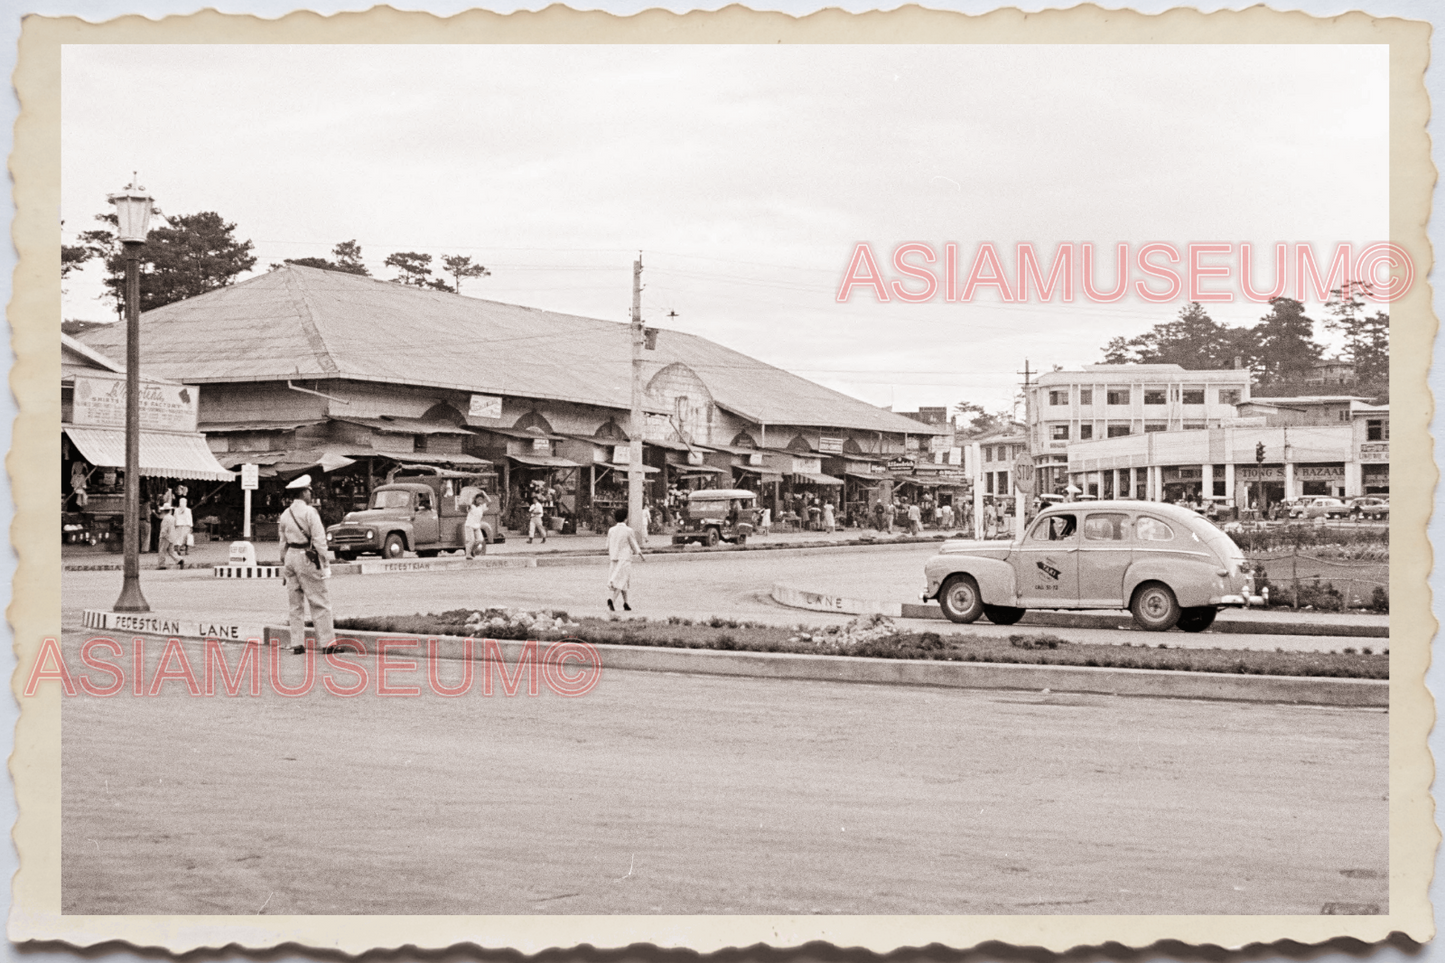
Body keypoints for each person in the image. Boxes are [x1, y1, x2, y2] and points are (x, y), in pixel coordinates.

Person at [278, 474, 337, 655]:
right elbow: (319, 540)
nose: (311, 495)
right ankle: (328, 643)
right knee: (319, 600)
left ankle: (297, 643)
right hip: (306, 556)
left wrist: (284, 561)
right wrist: (324, 559)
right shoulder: (310, 512)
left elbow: (282, 542)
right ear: (304, 493)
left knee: (295, 604)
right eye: (309, 492)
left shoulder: (285, 514)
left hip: (290, 557)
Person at [605, 507, 645, 612]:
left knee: (623, 581)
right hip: (625, 559)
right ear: (626, 519)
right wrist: (640, 555)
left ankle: (626, 603)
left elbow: (607, 545)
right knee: (622, 581)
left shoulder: (611, 530)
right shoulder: (628, 530)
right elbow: (634, 544)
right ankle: (612, 601)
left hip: (614, 558)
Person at [463, 491, 490, 558]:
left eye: (481, 499)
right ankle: (468, 554)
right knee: (471, 540)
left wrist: (485, 494)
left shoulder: (482, 507)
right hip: (469, 525)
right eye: (478, 499)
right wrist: (471, 496)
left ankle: (472, 550)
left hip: (477, 526)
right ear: (475, 499)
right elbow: (468, 504)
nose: (480, 501)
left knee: (480, 540)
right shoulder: (471, 506)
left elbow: (489, 502)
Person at [155, 505, 182, 569]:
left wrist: (163, 535)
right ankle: (179, 560)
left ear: (163, 511)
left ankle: (161, 564)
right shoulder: (172, 518)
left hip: (165, 536)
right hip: (172, 536)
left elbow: (164, 529)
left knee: (162, 550)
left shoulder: (165, 518)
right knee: (171, 551)